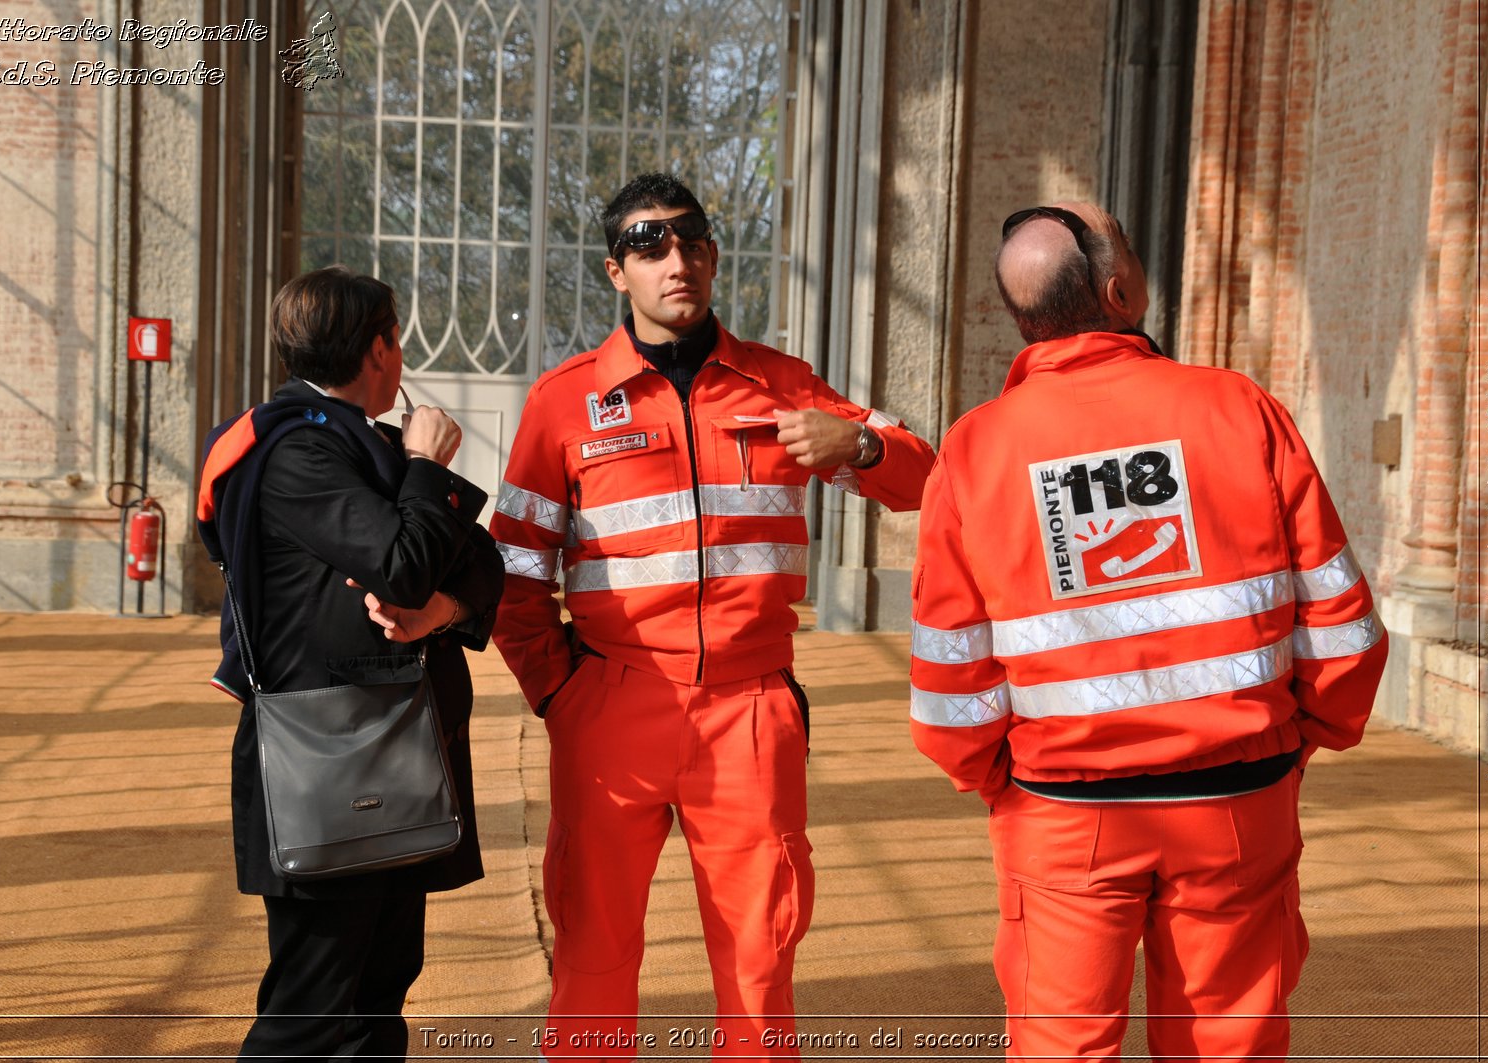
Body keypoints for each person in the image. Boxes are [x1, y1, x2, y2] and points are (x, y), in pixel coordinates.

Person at [908, 202, 1387, 1060]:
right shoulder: (1241, 409)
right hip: (1239, 801)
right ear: (1119, 288)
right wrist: (1295, 741)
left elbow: (949, 682)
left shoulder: (974, 451)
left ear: (1025, 320)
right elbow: (1341, 627)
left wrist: (1007, 783)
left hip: (1064, 816)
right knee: (1226, 1045)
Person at [489, 172, 936, 1057]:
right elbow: (514, 570)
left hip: (749, 712)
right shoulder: (564, 401)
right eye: (650, 245)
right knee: (593, 953)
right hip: (612, 704)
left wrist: (865, 442)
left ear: (714, 256)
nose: (676, 260)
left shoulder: (781, 386)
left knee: (759, 964)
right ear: (616, 270)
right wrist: (562, 695)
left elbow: (929, 476)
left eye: (692, 241)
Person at [195, 265, 504, 1061]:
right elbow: (405, 558)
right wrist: (429, 467)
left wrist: (447, 606)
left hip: (393, 751)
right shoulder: (294, 450)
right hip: (326, 761)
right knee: (310, 1004)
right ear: (379, 348)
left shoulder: (363, 444)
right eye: (395, 339)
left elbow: (480, 560)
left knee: (382, 985)